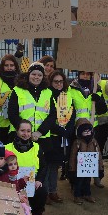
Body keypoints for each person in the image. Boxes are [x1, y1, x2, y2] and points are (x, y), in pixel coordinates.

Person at [7, 62, 56, 180]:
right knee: (20, 165)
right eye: (33, 74)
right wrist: (24, 132)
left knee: (41, 166)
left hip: (41, 137)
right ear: (28, 74)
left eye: (39, 75)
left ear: (43, 76)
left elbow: (52, 115)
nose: (36, 77)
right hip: (20, 136)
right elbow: (12, 114)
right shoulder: (17, 90)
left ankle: (39, 189)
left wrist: (40, 132)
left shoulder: (48, 92)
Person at [5, 119, 49, 215]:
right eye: (22, 131)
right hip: (13, 182)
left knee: (42, 191)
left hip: (31, 182)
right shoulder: (7, 148)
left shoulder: (37, 147)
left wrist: (39, 180)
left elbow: (43, 166)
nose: (26, 134)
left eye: (28, 131)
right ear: (17, 131)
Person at [68, 71, 107, 188]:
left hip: (91, 129)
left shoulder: (96, 88)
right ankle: (74, 183)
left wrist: (98, 100)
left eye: (88, 74)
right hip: (76, 129)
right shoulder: (71, 88)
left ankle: (87, 186)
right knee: (75, 157)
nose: (85, 76)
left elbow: (102, 110)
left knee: (90, 156)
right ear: (79, 75)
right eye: (83, 74)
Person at [45, 70, 75, 203]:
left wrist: (68, 129)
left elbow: (72, 113)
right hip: (50, 135)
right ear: (51, 82)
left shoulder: (67, 95)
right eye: (55, 81)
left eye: (61, 81)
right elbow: (47, 116)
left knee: (55, 165)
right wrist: (58, 129)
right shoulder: (47, 95)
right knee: (46, 165)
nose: (58, 84)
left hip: (62, 136)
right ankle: (45, 192)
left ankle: (53, 190)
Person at [69, 119, 102, 204]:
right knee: (78, 182)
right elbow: (72, 156)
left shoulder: (94, 142)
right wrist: (72, 169)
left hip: (89, 168)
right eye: (85, 131)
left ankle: (87, 194)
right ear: (79, 132)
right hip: (78, 169)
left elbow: (99, 155)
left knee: (87, 181)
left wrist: (100, 167)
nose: (87, 133)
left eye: (89, 131)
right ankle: (77, 196)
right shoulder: (77, 142)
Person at [0, 54, 20, 144]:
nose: (9, 68)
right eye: (6, 65)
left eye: (12, 65)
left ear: (15, 66)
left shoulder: (20, 81)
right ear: (2, 67)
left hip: (15, 124)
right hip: (0, 124)